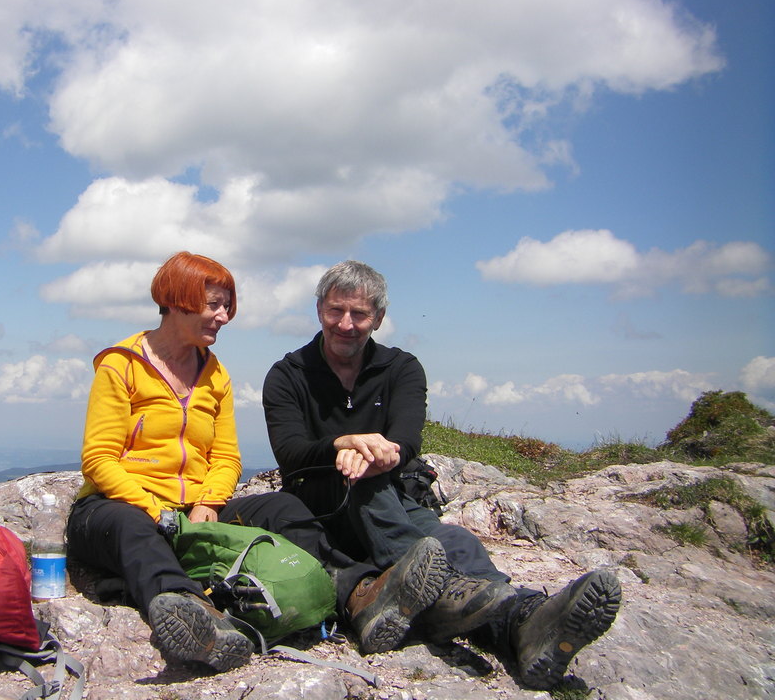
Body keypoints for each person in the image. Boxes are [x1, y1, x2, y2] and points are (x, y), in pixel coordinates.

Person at [67, 252, 451, 674]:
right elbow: (99, 459)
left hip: (193, 508)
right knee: (131, 526)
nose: (224, 316)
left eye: (226, 305)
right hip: (115, 507)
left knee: (282, 508)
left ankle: (359, 593)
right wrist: (155, 510)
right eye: (214, 304)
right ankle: (199, 617)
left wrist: (209, 504)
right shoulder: (121, 365)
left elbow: (227, 456)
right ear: (176, 301)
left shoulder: (214, 375)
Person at [262, 260, 622, 690]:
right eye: (335, 311)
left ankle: (525, 623)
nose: (345, 324)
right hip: (320, 508)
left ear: (378, 317)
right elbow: (291, 454)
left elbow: (406, 439)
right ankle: (481, 602)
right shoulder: (287, 375)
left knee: (454, 540)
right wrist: (344, 445)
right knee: (368, 483)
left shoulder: (402, 369)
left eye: (359, 314)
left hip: (389, 500)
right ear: (319, 308)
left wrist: (380, 453)